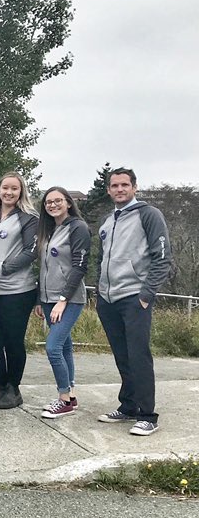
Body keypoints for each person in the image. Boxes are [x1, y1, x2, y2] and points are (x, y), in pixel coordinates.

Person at [95, 167, 172, 436]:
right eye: (114, 186)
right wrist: (99, 292)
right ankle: (128, 406)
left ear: (134, 187)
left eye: (124, 185)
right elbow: (101, 259)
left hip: (134, 297)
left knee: (139, 356)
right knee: (122, 355)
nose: (119, 189)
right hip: (108, 298)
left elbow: (162, 258)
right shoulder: (107, 221)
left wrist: (146, 294)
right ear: (108, 190)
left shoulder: (148, 214)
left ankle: (148, 415)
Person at [0, 172, 39, 409]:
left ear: (21, 191)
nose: (9, 192)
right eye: (5, 188)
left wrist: (4, 269)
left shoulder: (29, 218)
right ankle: (0, 386)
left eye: (14, 188)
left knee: (12, 341)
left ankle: (14, 388)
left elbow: (31, 251)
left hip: (16, 291)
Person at [34, 187, 90, 419]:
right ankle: (71, 395)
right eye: (48, 202)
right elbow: (43, 268)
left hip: (69, 299)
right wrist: (39, 299)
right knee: (65, 346)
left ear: (68, 203)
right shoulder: (48, 229)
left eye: (58, 200)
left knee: (53, 347)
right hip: (48, 298)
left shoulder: (78, 227)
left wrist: (63, 300)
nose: (53, 205)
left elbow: (80, 266)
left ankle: (63, 399)